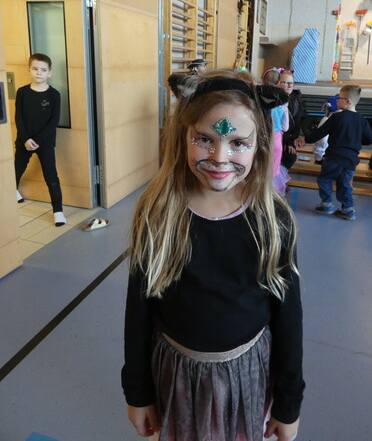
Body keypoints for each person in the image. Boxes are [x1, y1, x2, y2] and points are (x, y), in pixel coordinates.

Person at [121, 70, 305, 441]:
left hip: (246, 377)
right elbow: (138, 310)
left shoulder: (273, 219)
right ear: (183, 136)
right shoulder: (158, 212)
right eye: (205, 139)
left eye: (238, 143)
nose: (220, 157)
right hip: (175, 377)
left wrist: (288, 405)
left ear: (260, 146)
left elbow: (288, 316)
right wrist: (138, 393)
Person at [304, 85, 372, 221]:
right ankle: (348, 209)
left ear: (347, 101)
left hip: (334, 157)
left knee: (325, 179)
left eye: (339, 98)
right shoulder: (362, 120)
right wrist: (356, 140)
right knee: (345, 184)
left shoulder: (337, 117)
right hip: (351, 160)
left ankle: (326, 204)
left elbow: (320, 133)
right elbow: (370, 139)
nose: (336, 100)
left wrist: (305, 140)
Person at [14, 53, 66, 227]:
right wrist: (26, 139)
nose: (38, 73)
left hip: (45, 144)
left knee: (51, 177)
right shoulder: (22, 92)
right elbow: (18, 118)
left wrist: (36, 140)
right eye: (35, 69)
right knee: (16, 169)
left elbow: (53, 122)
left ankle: (58, 212)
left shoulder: (54, 95)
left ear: (49, 73)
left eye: (43, 70)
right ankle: (13, 190)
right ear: (29, 70)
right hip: (24, 141)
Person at [262, 68, 289, 195]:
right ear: (279, 82)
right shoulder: (282, 103)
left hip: (262, 135)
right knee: (273, 170)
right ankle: (270, 195)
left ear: (263, 80)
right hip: (276, 137)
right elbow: (285, 127)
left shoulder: (259, 99)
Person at [277, 69, 307, 171]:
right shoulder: (273, 99)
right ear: (277, 83)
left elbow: (296, 125)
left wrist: (290, 141)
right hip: (274, 137)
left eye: (291, 83)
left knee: (290, 156)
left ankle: (280, 176)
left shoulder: (295, 99)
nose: (289, 86)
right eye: (285, 82)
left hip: (287, 138)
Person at [313, 95, 340, 164]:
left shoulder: (328, 119)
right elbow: (323, 142)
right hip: (322, 157)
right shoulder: (327, 121)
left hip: (324, 155)